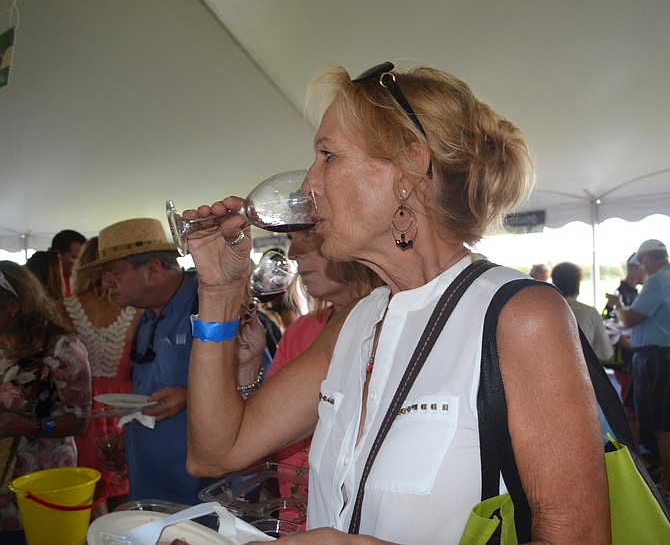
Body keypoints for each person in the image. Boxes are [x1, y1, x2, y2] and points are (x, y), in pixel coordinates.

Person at [184, 62, 610, 543]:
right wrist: (219, 292)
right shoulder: (355, 323)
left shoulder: (518, 316)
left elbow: (579, 536)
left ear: (409, 169)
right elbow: (215, 452)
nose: (308, 184)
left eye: (328, 155)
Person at [81, 218, 217, 505]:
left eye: (115, 273)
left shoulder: (209, 306)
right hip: (149, 483)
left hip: (198, 494)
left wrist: (190, 395)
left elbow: (256, 382)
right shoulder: (145, 317)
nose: (108, 283)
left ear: (153, 269)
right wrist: (127, 437)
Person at [265, 230, 382, 517]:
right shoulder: (299, 332)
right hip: (294, 519)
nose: (292, 252)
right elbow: (256, 441)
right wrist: (246, 366)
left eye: (308, 233)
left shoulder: (393, 328)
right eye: (291, 237)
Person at [0, 261, 91, 536]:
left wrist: (30, 427)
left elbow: (79, 421)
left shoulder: (62, 348)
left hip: (40, 479)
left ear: (14, 305)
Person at [61, 236, 140, 517]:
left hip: (83, 408)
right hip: (127, 404)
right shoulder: (137, 308)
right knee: (128, 488)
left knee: (90, 490)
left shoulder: (65, 308)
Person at [616, 239, 670, 508]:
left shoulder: (659, 280)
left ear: (648, 258)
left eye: (641, 261)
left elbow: (629, 319)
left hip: (658, 358)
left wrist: (618, 306)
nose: (640, 267)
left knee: (663, 426)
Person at [602, 253, 647, 447]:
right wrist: (635, 348)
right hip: (627, 361)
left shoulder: (635, 293)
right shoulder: (622, 294)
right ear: (638, 268)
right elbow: (611, 327)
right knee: (630, 410)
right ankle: (635, 451)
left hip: (633, 358)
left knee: (634, 408)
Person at [551, 262, 613, 362]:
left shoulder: (544, 312)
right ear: (577, 285)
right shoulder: (590, 313)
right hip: (584, 372)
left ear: (554, 284)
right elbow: (606, 353)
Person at [50, 229, 87, 296]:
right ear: (57, 255)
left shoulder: (84, 281)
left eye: (82, 259)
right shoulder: (45, 282)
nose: (80, 263)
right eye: (74, 257)